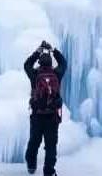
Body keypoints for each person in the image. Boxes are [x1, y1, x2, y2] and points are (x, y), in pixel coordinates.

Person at [24, 40, 67, 176]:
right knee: (51, 146)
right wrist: (53, 50)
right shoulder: (57, 74)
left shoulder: (35, 75)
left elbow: (27, 65)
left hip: (37, 116)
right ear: (51, 63)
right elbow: (64, 63)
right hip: (52, 117)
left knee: (34, 142)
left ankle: (31, 165)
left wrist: (38, 51)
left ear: (40, 63)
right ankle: (49, 172)